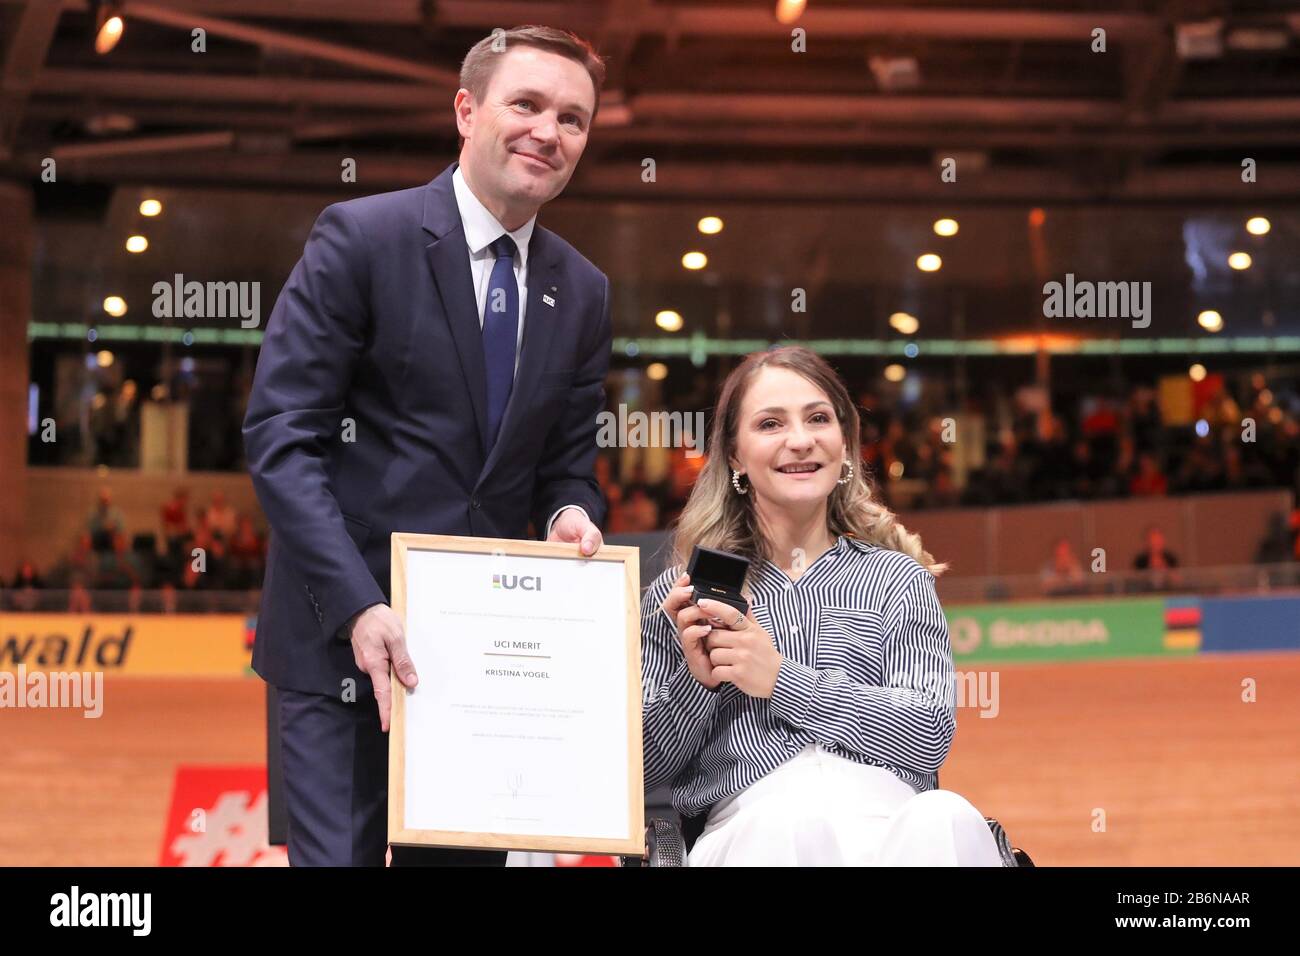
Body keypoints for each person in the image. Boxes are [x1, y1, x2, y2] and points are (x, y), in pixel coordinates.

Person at [242, 25, 610, 867]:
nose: (548, 132)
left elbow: (567, 469)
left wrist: (568, 516)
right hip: (339, 641)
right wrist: (358, 604)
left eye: (573, 118)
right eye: (526, 104)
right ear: (465, 109)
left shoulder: (584, 291)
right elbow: (281, 436)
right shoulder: (361, 237)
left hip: (475, 668)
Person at [641, 346, 1004, 866]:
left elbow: (929, 734)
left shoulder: (897, 579)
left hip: (891, 826)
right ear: (734, 456)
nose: (800, 440)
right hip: (752, 829)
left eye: (818, 418)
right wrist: (695, 684)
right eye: (770, 423)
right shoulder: (679, 600)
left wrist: (779, 679)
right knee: (789, 824)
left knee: (946, 816)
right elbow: (649, 770)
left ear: (844, 444)